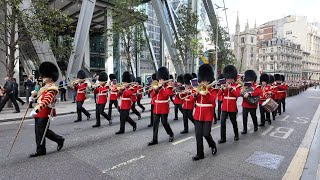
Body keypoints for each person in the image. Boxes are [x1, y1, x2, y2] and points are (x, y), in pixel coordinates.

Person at [29, 62, 64, 157]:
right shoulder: (43, 87)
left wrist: (35, 110)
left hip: (45, 111)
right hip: (39, 111)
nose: (43, 78)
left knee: (42, 130)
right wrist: (33, 98)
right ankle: (55, 141)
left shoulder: (52, 88)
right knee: (40, 130)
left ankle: (41, 150)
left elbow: (46, 101)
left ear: (50, 77)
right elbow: (39, 98)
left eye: (45, 77)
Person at [192, 64, 217, 161]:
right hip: (198, 113)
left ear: (209, 80)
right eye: (202, 80)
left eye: (205, 81)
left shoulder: (213, 90)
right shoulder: (198, 88)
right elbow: (191, 100)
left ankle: (212, 144)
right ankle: (200, 154)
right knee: (198, 134)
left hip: (207, 114)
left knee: (206, 134)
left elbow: (212, 100)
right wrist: (195, 94)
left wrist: (206, 92)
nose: (203, 82)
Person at [148, 67, 175, 145]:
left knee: (164, 122)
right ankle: (154, 139)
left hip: (164, 107)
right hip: (156, 107)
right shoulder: (156, 86)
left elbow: (166, 94)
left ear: (165, 79)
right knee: (155, 123)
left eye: (161, 79)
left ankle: (170, 133)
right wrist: (156, 88)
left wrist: (161, 87)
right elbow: (152, 95)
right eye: (159, 79)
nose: (160, 81)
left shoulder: (168, 87)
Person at [218, 65, 241, 144]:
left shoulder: (237, 85)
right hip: (224, 107)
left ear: (233, 78)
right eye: (227, 78)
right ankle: (223, 138)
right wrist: (222, 88)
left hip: (232, 107)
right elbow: (219, 94)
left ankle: (236, 134)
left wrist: (230, 88)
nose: (228, 80)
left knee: (233, 122)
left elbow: (237, 94)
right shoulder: (224, 85)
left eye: (229, 78)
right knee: (222, 122)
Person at [240, 70, 262, 134]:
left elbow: (258, 92)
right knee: (244, 117)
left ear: (253, 79)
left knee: (253, 116)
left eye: (251, 80)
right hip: (245, 104)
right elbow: (241, 93)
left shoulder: (257, 86)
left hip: (253, 104)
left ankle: (255, 126)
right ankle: (245, 129)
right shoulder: (245, 85)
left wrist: (250, 94)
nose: (250, 81)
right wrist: (242, 91)